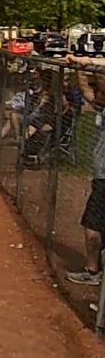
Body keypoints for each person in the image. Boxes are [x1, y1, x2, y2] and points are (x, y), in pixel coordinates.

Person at [70, 70, 105, 287]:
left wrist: (90, 65)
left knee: (92, 229)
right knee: (95, 228)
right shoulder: (101, 108)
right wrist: (80, 69)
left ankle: (94, 272)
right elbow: (86, 91)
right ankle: (95, 272)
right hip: (100, 178)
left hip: (104, 181)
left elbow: (98, 87)